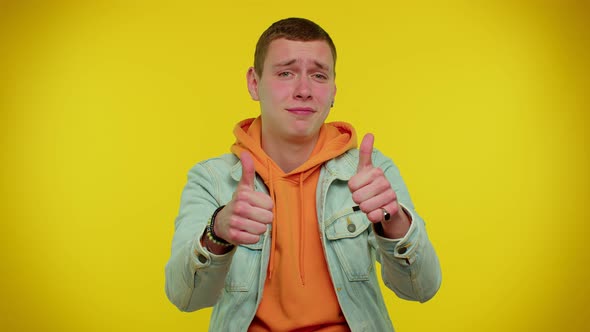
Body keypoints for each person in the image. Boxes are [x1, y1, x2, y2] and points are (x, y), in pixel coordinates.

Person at [165, 17, 441, 331]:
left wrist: (393, 219)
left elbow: (422, 288)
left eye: (318, 75)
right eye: (286, 72)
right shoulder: (211, 178)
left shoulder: (371, 171)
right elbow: (185, 297)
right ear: (254, 83)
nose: (304, 90)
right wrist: (218, 232)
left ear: (333, 91)